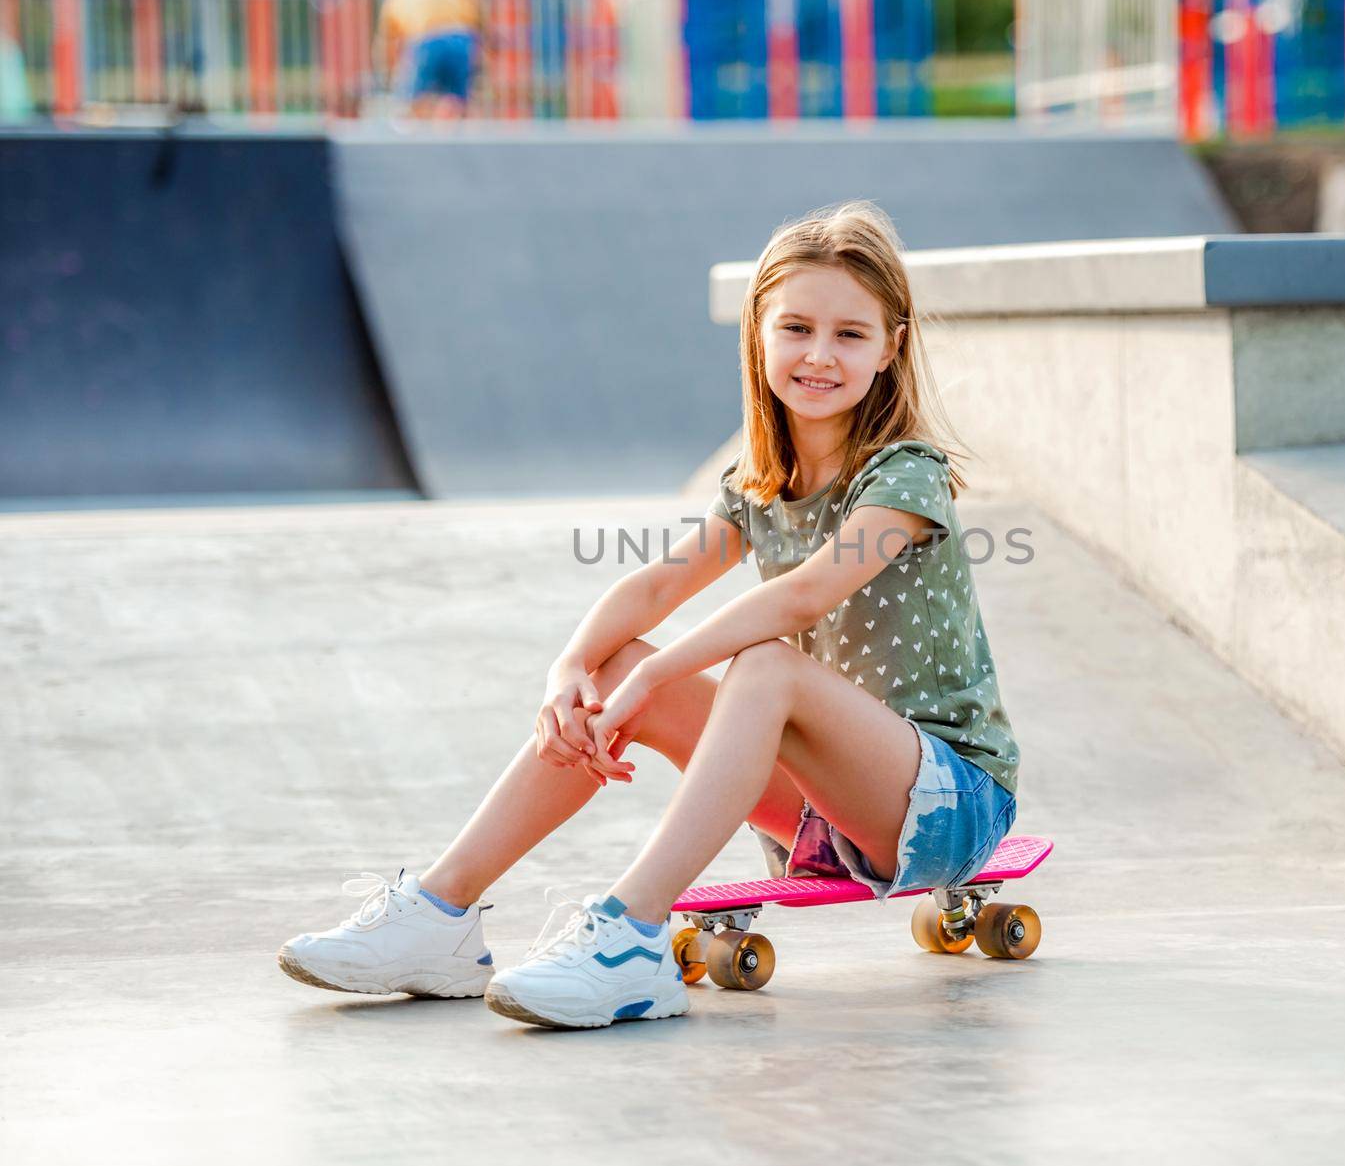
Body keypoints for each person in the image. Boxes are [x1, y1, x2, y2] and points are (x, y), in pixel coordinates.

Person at [277, 201, 1025, 1029]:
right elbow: (651, 589)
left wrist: (664, 675)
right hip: (829, 809)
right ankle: (440, 914)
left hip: (950, 804)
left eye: (850, 334)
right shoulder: (760, 481)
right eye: (797, 327)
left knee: (763, 660)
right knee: (617, 662)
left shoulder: (904, 475)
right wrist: (569, 673)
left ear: (892, 347)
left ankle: (631, 935)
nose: (819, 354)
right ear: (759, 336)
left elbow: (806, 593)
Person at [374, 0, 482, 121]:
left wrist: (387, 71)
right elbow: (479, 24)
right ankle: (458, 134)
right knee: (457, 99)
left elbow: (387, 41)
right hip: (461, 38)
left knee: (412, 98)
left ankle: (411, 135)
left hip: (427, 38)